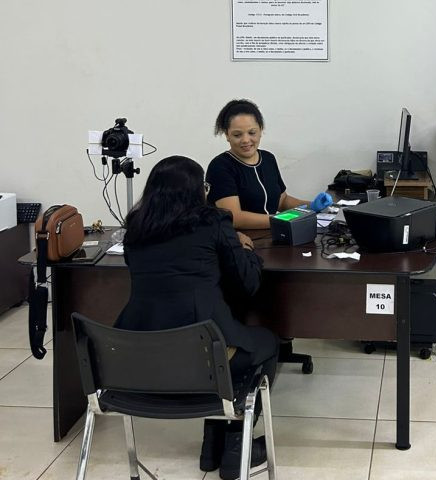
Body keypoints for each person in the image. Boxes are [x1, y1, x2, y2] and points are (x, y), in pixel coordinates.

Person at [115, 155, 278, 480]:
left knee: (215, 344)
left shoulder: (135, 228)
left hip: (141, 354)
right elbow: (247, 283)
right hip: (202, 353)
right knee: (268, 343)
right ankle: (236, 448)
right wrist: (245, 250)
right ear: (196, 191)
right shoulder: (213, 222)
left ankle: (211, 445)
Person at [205, 98, 332, 229]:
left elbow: (282, 201)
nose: (246, 140)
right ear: (227, 135)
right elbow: (234, 217)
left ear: (261, 130)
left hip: (274, 234)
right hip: (240, 239)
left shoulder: (268, 158)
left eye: (252, 133)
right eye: (237, 135)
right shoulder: (220, 166)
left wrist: (312, 206)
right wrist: (280, 220)